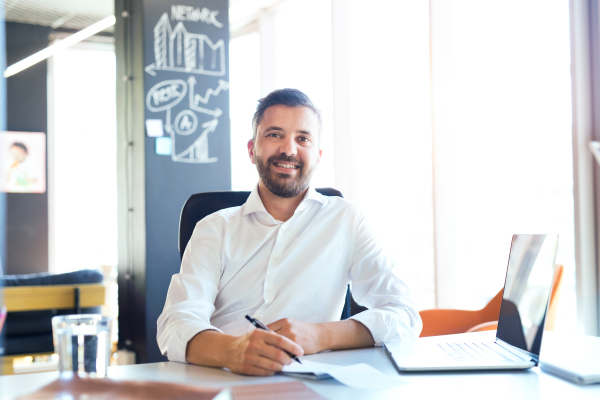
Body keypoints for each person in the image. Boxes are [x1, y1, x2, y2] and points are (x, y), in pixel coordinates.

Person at [157, 88, 422, 376]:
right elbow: (176, 324)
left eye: (303, 138)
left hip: (310, 386)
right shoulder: (213, 228)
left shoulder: (348, 219)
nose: (289, 150)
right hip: (222, 378)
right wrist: (232, 351)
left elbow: (405, 316)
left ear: (318, 155)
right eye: (274, 135)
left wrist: (322, 336)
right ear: (251, 150)